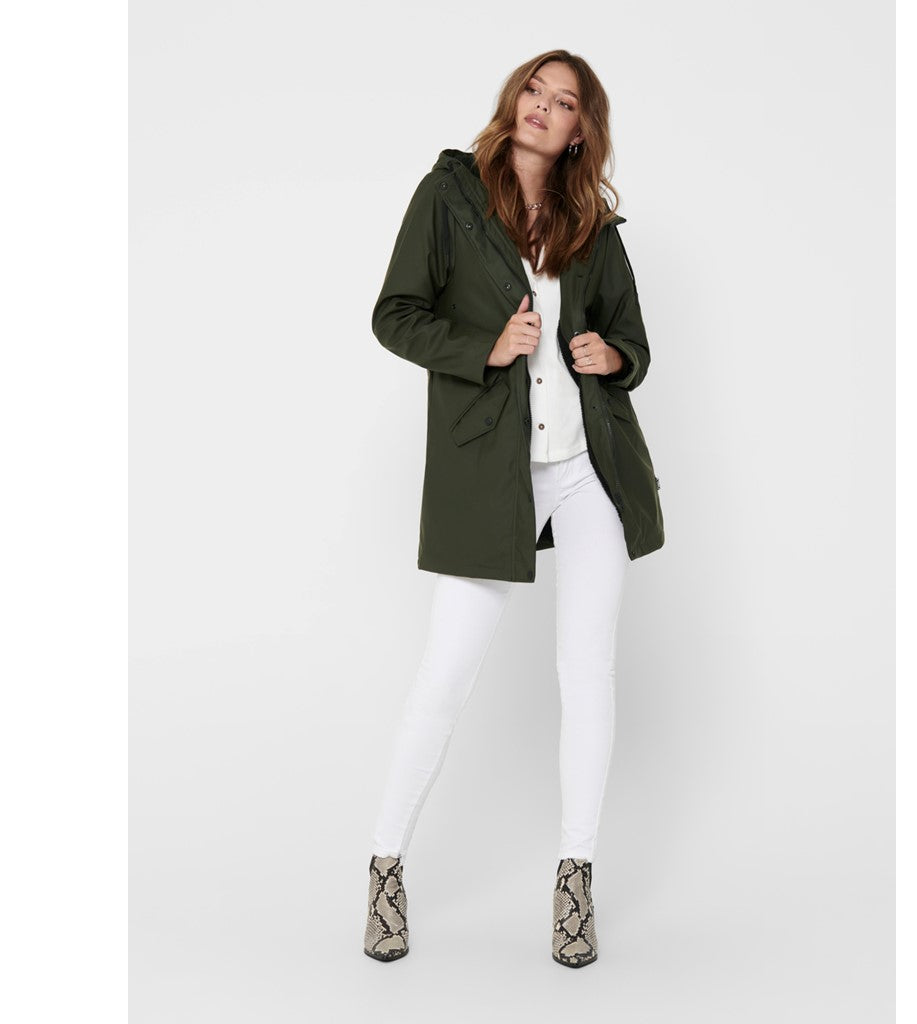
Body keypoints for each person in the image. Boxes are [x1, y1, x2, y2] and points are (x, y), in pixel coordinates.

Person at [363, 49, 664, 968]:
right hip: (491, 470)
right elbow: (394, 314)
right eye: (534, 88)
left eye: (563, 101)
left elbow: (633, 341)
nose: (541, 106)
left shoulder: (592, 227)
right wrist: (485, 347)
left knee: (589, 673)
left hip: (587, 469)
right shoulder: (450, 196)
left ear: (579, 131)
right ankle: (385, 868)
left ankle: (575, 881)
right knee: (446, 674)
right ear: (515, 99)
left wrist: (614, 357)